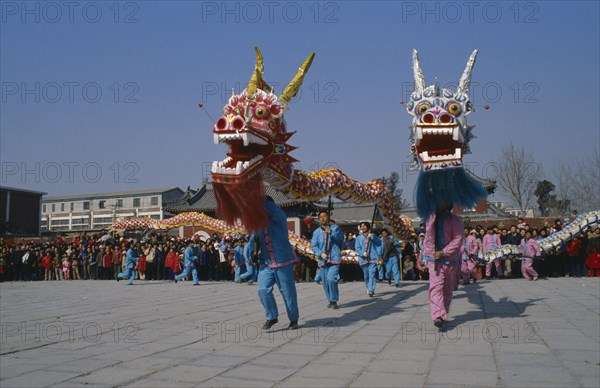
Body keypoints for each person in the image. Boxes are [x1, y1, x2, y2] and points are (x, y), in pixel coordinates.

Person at [248, 197, 300, 330]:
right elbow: (252, 242)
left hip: (283, 261)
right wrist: (250, 254)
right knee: (263, 290)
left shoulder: (279, 219)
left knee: (288, 293)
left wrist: (258, 197)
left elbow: (275, 210)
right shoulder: (258, 225)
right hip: (266, 263)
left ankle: (293, 319)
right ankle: (272, 317)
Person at [420, 204, 463, 330]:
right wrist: (424, 256)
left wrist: (444, 252)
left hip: (450, 260)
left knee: (447, 289)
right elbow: (427, 238)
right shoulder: (430, 219)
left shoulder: (456, 220)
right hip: (433, 260)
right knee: (436, 287)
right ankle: (438, 315)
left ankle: (443, 313)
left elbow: (458, 239)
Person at [311, 210, 344, 309]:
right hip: (323, 260)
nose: (323, 218)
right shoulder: (316, 232)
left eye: (325, 216)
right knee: (325, 282)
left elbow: (341, 239)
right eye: (320, 217)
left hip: (334, 258)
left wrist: (332, 233)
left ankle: (334, 300)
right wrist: (320, 254)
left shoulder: (335, 228)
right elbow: (314, 245)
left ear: (328, 217)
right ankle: (330, 299)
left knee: (331, 279)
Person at [355, 221, 382, 297]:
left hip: (372, 258)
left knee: (372, 275)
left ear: (368, 227)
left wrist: (373, 238)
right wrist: (362, 253)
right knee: (366, 276)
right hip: (363, 259)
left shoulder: (372, 235)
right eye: (361, 226)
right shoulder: (359, 237)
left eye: (364, 226)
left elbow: (379, 243)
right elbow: (357, 248)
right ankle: (368, 287)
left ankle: (371, 290)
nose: (363, 227)